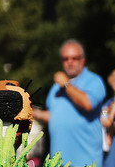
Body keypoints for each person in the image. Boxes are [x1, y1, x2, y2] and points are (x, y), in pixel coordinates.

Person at [33, 39, 106, 167]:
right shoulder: (56, 88)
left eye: (74, 58)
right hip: (59, 161)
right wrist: (34, 113)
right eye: (65, 59)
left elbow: (87, 104)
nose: (69, 62)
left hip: (85, 162)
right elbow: (54, 116)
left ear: (83, 59)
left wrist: (66, 84)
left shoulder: (94, 81)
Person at [99, 66, 115, 167]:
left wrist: (113, 122)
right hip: (113, 151)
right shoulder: (111, 101)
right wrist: (106, 111)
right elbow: (103, 113)